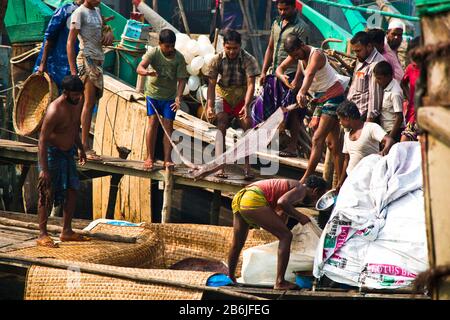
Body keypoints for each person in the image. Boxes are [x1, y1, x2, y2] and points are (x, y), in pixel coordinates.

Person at [228, 176, 327, 290]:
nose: (315, 201)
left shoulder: (291, 191)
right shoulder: (301, 189)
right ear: (315, 191)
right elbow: (282, 202)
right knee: (286, 236)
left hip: (242, 196)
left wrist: (287, 217)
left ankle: (230, 278)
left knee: (237, 243)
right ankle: (280, 281)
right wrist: (300, 216)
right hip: (253, 198)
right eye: (318, 197)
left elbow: (280, 214)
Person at [276, 33, 346, 184]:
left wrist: (301, 91)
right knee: (333, 145)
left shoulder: (317, 54)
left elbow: (309, 75)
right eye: (292, 56)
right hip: (320, 100)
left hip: (333, 96)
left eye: (296, 54)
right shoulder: (298, 56)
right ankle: (340, 183)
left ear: (301, 45)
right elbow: (279, 69)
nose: (295, 58)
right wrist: (284, 78)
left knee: (317, 139)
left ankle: (304, 179)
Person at [37, 76, 87, 248]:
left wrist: (80, 148)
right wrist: (44, 169)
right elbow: (42, 140)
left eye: (80, 94)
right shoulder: (55, 110)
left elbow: (74, 127)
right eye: (75, 95)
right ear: (65, 93)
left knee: (72, 189)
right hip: (52, 153)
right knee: (47, 192)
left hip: (68, 153)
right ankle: (42, 234)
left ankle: (66, 231)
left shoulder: (79, 102)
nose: (78, 97)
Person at [254, 0, 308, 157]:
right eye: (280, 9)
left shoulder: (301, 27)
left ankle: (292, 147)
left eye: (286, 9)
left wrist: (297, 80)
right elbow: (270, 48)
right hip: (276, 72)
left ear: (293, 7)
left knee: (293, 112)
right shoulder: (276, 23)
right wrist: (264, 71)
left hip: (292, 74)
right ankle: (268, 142)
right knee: (268, 108)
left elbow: (302, 56)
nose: (282, 12)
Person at [205, 30, 260, 179]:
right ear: (223, 46)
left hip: (242, 95)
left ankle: (247, 167)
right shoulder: (216, 60)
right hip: (223, 94)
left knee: (248, 125)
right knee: (221, 123)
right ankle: (220, 166)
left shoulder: (248, 59)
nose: (231, 51)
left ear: (240, 46)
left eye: (235, 48)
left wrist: (247, 105)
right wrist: (209, 106)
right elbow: (211, 85)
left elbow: (250, 85)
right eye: (228, 48)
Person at [67, 0, 114, 161]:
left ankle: (79, 143)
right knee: (88, 103)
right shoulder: (79, 13)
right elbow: (70, 42)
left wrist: (108, 32)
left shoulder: (97, 10)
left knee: (87, 104)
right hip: (86, 60)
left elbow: (103, 31)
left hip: (98, 60)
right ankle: (84, 146)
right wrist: (73, 71)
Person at [136, 29, 188, 170]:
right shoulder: (154, 52)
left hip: (170, 97)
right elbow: (139, 68)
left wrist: (178, 97)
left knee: (168, 127)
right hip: (153, 94)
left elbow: (182, 80)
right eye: (167, 46)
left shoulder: (179, 58)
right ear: (160, 44)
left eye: (172, 46)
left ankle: (167, 159)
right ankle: (149, 157)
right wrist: (147, 72)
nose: (170, 49)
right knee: (152, 123)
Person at [335, 100, 394, 191]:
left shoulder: (371, 128)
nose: (340, 122)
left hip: (368, 179)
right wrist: (341, 182)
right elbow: (346, 160)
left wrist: (384, 151)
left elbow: (389, 140)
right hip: (352, 180)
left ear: (347, 117)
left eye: (340, 119)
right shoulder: (346, 134)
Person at [33, 0, 84, 89]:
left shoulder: (90, 13)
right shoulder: (65, 10)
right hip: (57, 64)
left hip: (77, 62)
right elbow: (49, 37)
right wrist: (42, 64)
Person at [347, 31, 386, 122]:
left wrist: (368, 123)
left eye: (358, 51)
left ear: (369, 46)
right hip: (352, 113)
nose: (356, 54)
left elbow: (375, 98)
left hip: (363, 117)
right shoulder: (361, 58)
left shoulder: (377, 65)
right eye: (354, 51)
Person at [373, 61, 405, 142]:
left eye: (379, 78)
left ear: (388, 76)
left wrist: (389, 138)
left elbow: (399, 117)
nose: (377, 81)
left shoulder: (395, 93)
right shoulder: (385, 86)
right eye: (376, 78)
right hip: (385, 130)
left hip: (394, 131)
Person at [400, 37, 421, 142]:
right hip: (412, 115)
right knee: (403, 142)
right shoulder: (410, 68)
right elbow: (403, 83)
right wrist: (409, 98)